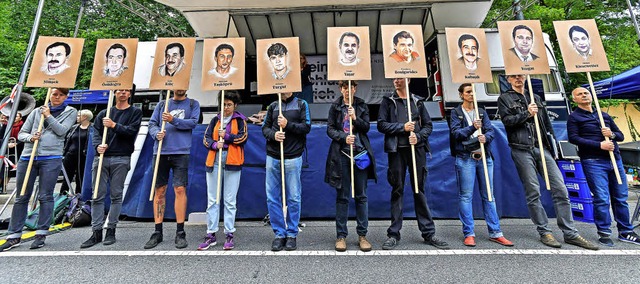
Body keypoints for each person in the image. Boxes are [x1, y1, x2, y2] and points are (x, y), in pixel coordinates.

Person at [497, 74, 598, 250]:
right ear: (508, 79)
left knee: (561, 189)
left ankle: (570, 233)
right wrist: (527, 113)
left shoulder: (535, 97)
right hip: (521, 148)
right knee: (533, 191)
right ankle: (544, 231)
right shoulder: (504, 98)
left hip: (543, 148)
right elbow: (507, 122)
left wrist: (553, 148)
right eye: (514, 76)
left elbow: (546, 125)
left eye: (520, 75)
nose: (518, 78)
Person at [0, 88, 77, 251]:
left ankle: (41, 233)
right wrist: (30, 137)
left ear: (66, 97)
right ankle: (14, 235)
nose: (57, 97)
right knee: (22, 196)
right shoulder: (36, 111)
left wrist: (48, 116)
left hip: (51, 157)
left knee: (45, 195)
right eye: (55, 94)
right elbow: (22, 134)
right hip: (28, 156)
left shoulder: (70, 111)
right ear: (50, 94)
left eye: (61, 95)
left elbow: (62, 131)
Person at [377, 78, 448, 250]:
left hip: (417, 150)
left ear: (407, 79)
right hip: (397, 151)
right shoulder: (388, 101)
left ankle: (428, 233)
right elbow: (381, 125)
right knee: (397, 190)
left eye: (399, 77)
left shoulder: (417, 101)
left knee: (419, 189)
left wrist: (418, 136)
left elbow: (428, 126)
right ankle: (393, 233)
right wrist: (402, 127)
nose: (396, 81)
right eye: (394, 78)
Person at [567, 87, 640, 247]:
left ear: (591, 96)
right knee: (601, 198)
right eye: (579, 94)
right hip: (593, 161)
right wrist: (599, 145)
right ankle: (604, 232)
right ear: (575, 100)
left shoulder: (603, 115)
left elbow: (620, 135)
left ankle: (625, 231)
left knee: (621, 197)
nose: (584, 95)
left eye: (586, 92)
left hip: (615, 160)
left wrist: (612, 134)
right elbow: (573, 138)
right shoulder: (574, 117)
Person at [450, 83, 513, 247]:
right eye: (468, 92)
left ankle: (495, 232)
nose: (472, 95)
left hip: (485, 157)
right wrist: (473, 128)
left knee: (489, 195)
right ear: (461, 95)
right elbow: (456, 134)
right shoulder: (456, 113)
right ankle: (469, 233)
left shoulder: (482, 111)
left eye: (473, 92)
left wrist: (486, 137)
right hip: (465, 158)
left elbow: (490, 131)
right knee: (466, 196)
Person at [81, 87, 142, 248]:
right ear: (114, 93)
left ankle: (111, 230)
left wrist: (114, 125)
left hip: (121, 157)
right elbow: (96, 133)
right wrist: (97, 147)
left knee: (116, 195)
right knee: (97, 195)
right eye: (119, 90)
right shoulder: (104, 113)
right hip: (102, 157)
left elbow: (131, 132)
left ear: (130, 94)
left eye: (126, 91)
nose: (122, 93)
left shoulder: (135, 112)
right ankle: (96, 231)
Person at [145, 89, 200, 249]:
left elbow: (193, 123)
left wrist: (172, 119)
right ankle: (157, 231)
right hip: (161, 151)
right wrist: (156, 134)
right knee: (159, 191)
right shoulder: (163, 103)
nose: (179, 88)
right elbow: (152, 124)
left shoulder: (193, 104)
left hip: (181, 152)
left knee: (180, 190)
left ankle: (180, 232)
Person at [325, 80, 376, 252]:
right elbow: (330, 129)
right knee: (343, 196)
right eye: (344, 87)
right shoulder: (335, 106)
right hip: (342, 155)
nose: (347, 90)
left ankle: (362, 235)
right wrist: (343, 137)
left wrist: (356, 118)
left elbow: (367, 127)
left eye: (350, 87)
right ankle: (341, 236)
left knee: (361, 195)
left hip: (360, 154)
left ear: (355, 88)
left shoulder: (361, 105)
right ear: (340, 89)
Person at [198, 91, 248, 250]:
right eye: (224, 104)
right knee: (212, 199)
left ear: (235, 106)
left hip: (232, 161)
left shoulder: (240, 120)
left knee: (229, 200)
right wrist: (214, 144)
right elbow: (206, 138)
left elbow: (243, 137)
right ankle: (211, 233)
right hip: (215, 161)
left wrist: (226, 137)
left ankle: (229, 233)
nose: (226, 108)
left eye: (229, 105)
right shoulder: (215, 120)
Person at [262, 92, 311, 251]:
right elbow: (265, 128)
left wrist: (287, 124)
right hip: (273, 156)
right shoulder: (273, 106)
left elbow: (306, 127)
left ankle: (291, 234)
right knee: (272, 197)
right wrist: (274, 135)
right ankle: (279, 234)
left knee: (294, 197)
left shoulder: (302, 104)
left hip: (293, 156)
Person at [60, 109, 93, 195]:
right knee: (67, 177)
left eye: (79, 115)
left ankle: (79, 197)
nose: (77, 117)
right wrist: (64, 153)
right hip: (70, 155)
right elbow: (68, 140)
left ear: (85, 117)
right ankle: (63, 196)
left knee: (80, 177)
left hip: (83, 156)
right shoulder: (74, 127)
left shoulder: (92, 128)